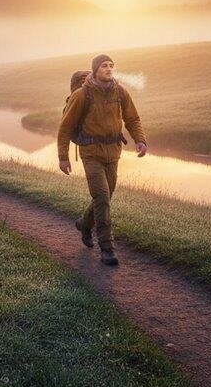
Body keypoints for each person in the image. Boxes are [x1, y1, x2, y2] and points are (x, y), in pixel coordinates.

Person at [57, 54, 147, 265]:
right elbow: (65, 128)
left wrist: (140, 140)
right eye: (104, 66)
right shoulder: (82, 95)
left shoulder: (120, 91)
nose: (109, 69)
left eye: (111, 66)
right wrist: (63, 157)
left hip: (113, 152)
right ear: (96, 70)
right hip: (91, 153)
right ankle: (107, 248)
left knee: (104, 196)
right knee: (103, 197)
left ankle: (85, 224)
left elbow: (132, 118)